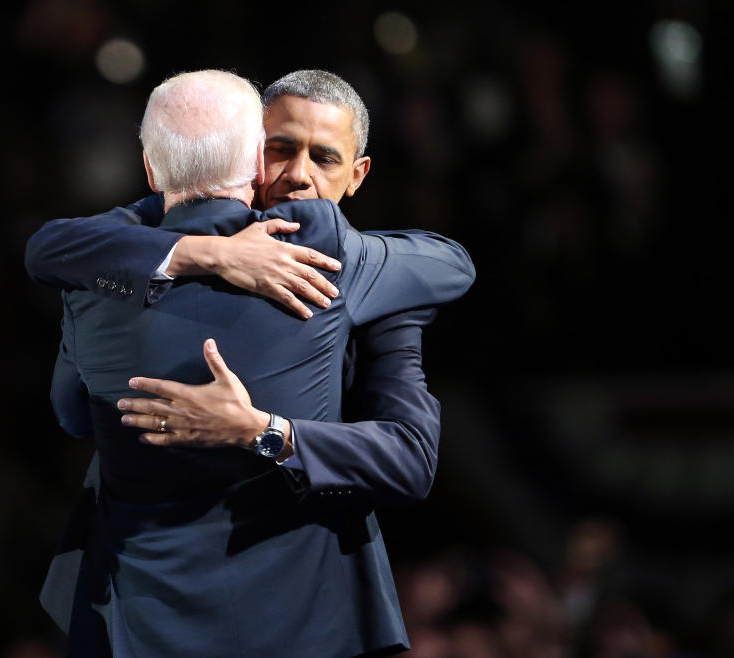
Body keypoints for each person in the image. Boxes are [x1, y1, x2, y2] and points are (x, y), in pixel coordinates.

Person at [26, 70, 475, 656]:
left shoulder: (347, 266)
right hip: (181, 609)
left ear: (357, 174)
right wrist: (208, 251)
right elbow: (55, 246)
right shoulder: (134, 251)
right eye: (281, 149)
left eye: (325, 158)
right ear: (250, 153)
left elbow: (410, 459)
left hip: (278, 611)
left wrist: (264, 433)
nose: (298, 175)